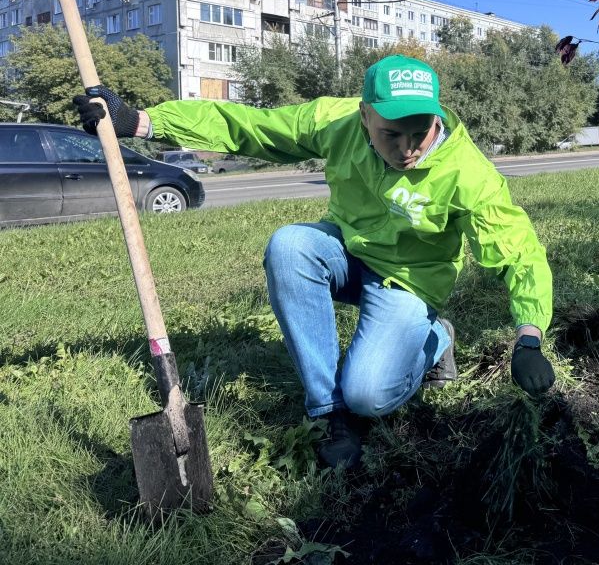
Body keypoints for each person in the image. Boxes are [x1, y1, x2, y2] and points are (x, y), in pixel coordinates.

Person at [74, 55, 556, 468]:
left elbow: (518, 251)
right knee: (290, 245)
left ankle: (435, 338)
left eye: (420, 133)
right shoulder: (335, 121)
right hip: (348, 252)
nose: (408, 149)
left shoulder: (467, 172)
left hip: (409, 282)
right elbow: (249, 127)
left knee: (370, 396)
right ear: (364, 114)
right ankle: (326, 411)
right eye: (392, 134)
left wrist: (530, 334)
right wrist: (141, 121)